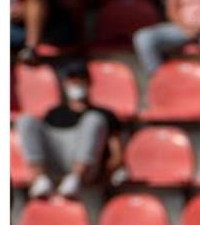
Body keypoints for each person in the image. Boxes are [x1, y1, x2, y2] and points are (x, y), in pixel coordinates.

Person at [17, 60, 124, 199]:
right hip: (54, 165)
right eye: (72, 80)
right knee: (26, 120)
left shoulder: (104, 114)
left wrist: (107, 174)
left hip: (87, 169)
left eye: (80, 80)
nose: (76, 84)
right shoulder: (53, 113)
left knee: (93, 120)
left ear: (89, 82)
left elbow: (117, 153)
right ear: (64, 84)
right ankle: (40, 178)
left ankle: (75, 179)